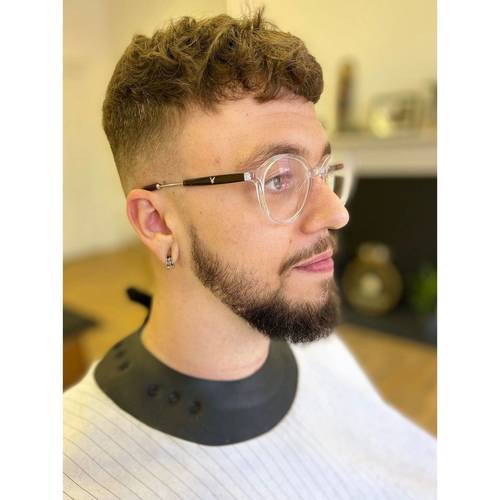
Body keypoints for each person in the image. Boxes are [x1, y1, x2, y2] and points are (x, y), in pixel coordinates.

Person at [63, 9, 436, 499]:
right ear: (157, 222)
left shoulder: (322, 351)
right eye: (278, 178)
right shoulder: (72, 478)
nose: (337, 214)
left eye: (323, 171)